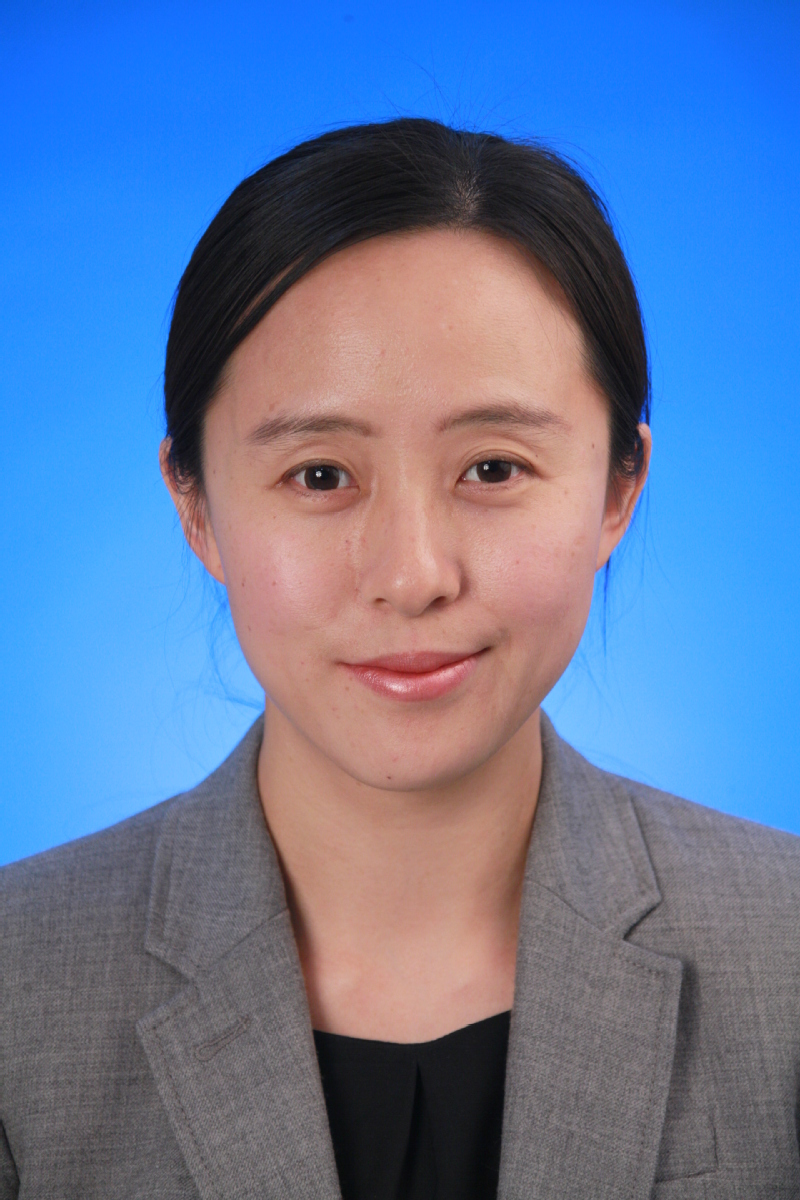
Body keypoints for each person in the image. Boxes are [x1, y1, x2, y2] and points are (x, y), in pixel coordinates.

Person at [1, 118, 799, 1200]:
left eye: (493, 468)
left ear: (618, 489)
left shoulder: (785, 957)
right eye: (320, 476)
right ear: (195, 506)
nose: (414, 575)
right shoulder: (18, 988)